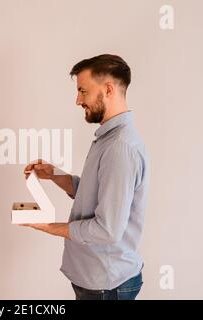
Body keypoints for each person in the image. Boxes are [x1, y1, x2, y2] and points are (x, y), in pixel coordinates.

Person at [22, 54, 150, 300]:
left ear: (108, 89)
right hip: (96, 278)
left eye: (83, 91)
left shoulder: (120, 147)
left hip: (107, 285)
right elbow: (95, 194)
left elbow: (107, 230)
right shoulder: (109, 139)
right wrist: (55, 175)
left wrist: (49, 227)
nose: (78, 100)